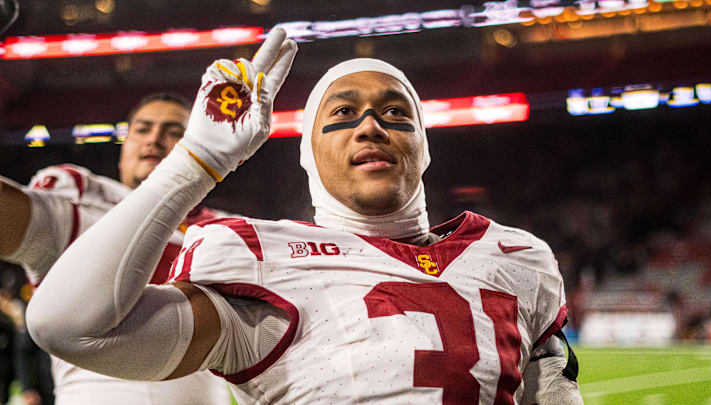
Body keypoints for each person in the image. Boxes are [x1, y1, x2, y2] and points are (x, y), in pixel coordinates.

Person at [26, 28, 582, 404]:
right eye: (342, 113)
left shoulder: (518, 258)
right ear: (308, 156)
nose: (371, 126)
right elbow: (67, 327)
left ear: (424, 146)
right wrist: (194, 162)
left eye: (395, 111)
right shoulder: (258, 260)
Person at [0, 93, 232, 404]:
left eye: (175, 132)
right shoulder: (80, 194)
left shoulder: (227, 229)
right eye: (142, 129)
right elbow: (14, 216)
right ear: (123, 150)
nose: (155, 139)